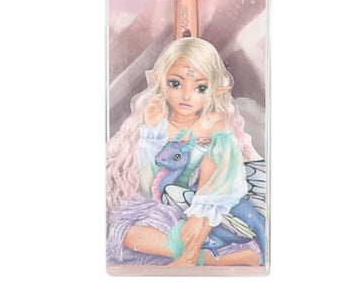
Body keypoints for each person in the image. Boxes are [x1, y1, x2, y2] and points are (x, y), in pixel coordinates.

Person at [106, 37, 265, 267]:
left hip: (211, 211)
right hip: (167, 209)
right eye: (175, 84)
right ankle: (220, 258)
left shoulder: (215, 125)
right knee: (127, 234)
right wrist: (151, 134)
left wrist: (199, 216)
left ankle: (191, 256)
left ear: (215, 90)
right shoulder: (160, 123)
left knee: (184, 231)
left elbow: (221, 182)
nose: (187, 96)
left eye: (200, 88)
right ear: (161, 82)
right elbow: (150, 184)